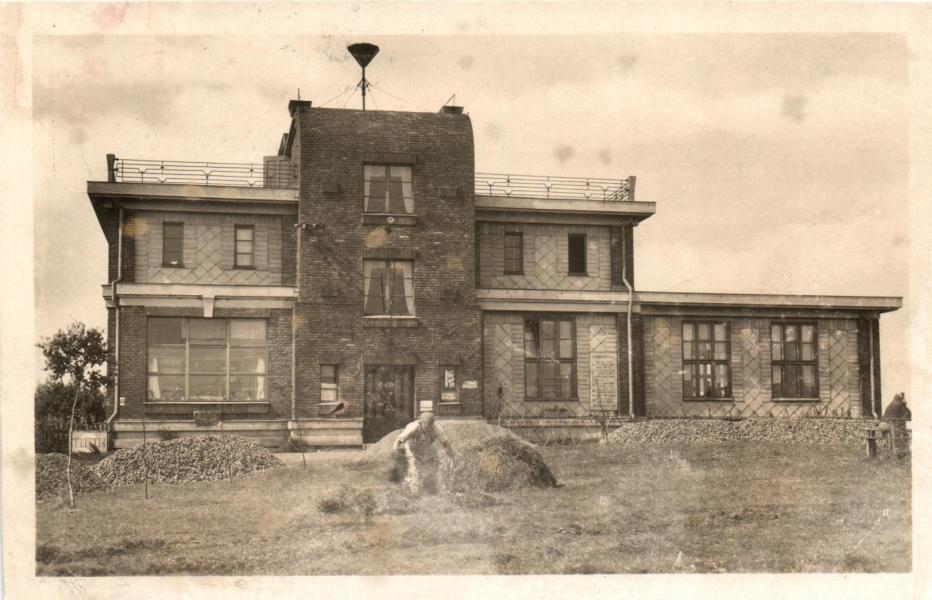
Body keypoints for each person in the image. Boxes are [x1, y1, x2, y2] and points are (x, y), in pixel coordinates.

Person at [392, 412, 454, 495]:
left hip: (427, 448)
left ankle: (435, 489)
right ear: (421, 423)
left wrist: (451, 457)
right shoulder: (412, 427)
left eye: (431, 426)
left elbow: (445, 443)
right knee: (415, 472)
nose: (429, 429)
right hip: (413, 450)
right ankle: (415, 494)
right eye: (427, 427)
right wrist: (396, 453)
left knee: (435, 467)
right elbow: (398, 441)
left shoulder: (436, 429)